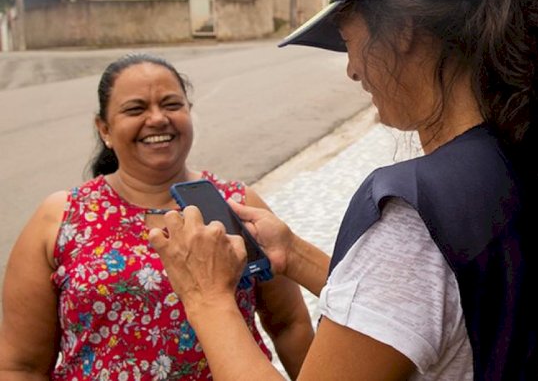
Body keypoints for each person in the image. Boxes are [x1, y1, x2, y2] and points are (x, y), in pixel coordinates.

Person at [149, 0, 538, 379]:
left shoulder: (414, 214)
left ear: (404, 33)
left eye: (351, 43)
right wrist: (292, 253)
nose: (353, 71)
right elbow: (413, 310)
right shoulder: (520, 157)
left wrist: (206, 296)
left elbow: (411, 277)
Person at [0, 54, 314, 380]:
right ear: (104, 128)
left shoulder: (238, 206)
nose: (157, 118)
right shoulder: (61, 218)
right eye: (136, 109)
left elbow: (289, 323)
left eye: (171, 104)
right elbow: (20, 365)